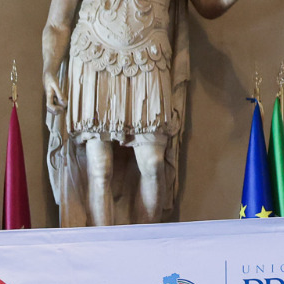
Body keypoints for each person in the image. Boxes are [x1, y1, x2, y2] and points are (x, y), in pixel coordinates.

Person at [42, 0, 239, 226]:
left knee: (153, 164)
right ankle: (103, 250)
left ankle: (145, 250)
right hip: (93, 54)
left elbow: (209, 6)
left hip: (149, 57)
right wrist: (49, 70)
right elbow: (57, 24)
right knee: (98, 167)